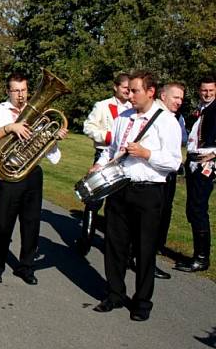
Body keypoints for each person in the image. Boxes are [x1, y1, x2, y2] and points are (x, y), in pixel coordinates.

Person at [91, 71, 181, 321]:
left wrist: (146, 153)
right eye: (128, 90)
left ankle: (142, 302)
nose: (129, 95)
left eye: (135, 91)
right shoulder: (123, 117)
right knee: (114, 244)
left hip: (148, 191)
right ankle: (115, 293)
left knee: (144, 249)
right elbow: (110, 150)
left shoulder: (166, 121)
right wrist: (100, 164)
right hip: (120, 188)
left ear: (150, 92)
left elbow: (174, 162)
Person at [0, 71, 68, 285]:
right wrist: (11, 127)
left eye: (24, 90)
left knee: (31, 223)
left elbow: (48, 152)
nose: (21, 95)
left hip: (31, 173)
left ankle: (26, 267)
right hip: (8, 173)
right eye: (16, 90)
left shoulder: (41, 113)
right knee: (2, 223)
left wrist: (53, 137)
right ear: (8, 91)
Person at [78, 73, 132, 254]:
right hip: (104, 153)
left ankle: (113, 242)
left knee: (118, 201)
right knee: (95, 197)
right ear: (115, 87)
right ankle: (86, 238)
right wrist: (107, 136)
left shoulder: (135, 107)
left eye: (130, 87)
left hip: (125, 158)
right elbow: (88, 127)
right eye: (124, 87)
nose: (127, 91)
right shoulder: (102, 105)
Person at [175, 75, 216, 273]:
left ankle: (201, 259)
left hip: (205, 163)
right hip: (193, 160)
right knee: (192, 209)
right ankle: (198, 255)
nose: (207, 94)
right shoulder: (202, 109)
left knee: (198, 209)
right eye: (204, 90)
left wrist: (215, 153)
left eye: (211, 91)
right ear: (199, 91)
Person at [154, 82, 187, 279]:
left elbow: (182, 139)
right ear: (163, 96)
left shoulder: (176, 117)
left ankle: (152, 253)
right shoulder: (158, 115)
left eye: (181, 99)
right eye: (176, 97)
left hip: (169, 172)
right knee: (155, 216)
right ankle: (144, 259)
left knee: (165, 213)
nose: (179, 102)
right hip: (157, 173)